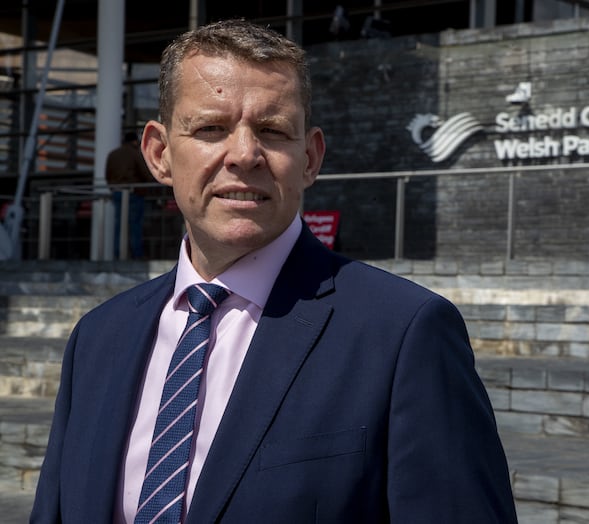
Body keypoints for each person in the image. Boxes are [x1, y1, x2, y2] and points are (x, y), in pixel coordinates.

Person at [31, 19, 518, 524]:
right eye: (211, 128)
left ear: (309, 158)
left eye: (272, 130)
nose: (244, 154)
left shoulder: (403, 334)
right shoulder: (98, 337)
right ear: (159, 154)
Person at [105, 131, 152, 259]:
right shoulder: (135, 154)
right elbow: (145, 173)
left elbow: (107, 175)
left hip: (117, 193)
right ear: (134, 141)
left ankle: (117, 254)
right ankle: (136, 255)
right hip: (134, 193)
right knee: (135, 225)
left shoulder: (113, 155)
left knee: (119, 225)